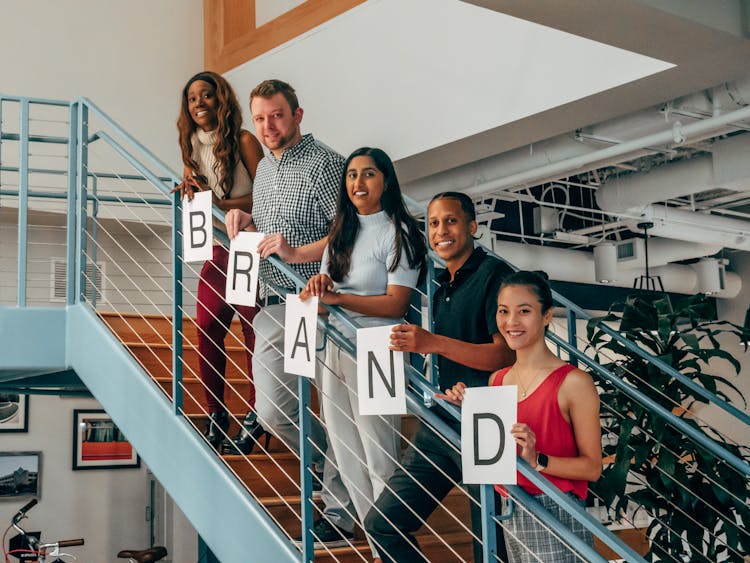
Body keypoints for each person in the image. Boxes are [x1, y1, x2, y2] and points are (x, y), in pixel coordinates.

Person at [225, 79, 356, 547]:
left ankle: (341, 513)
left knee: (339, 412)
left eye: (276, 115)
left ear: (298, 115)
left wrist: (300, 252)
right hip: (275, 306)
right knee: (273, 412)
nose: (267, 126)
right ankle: (331, 468)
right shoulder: (262, 171)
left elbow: (347, 237)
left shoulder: (328, 165)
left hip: (322, 305)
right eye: (259, 118)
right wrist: (248, 221)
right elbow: (271, 229)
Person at [364, 191, 515, 563]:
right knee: (383, 523)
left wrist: (433, 343)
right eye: (432, 223)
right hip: (443, 420)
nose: (440, 230)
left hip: (486, 422)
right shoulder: (443, 281)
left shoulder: (496, 276)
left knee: (490, 549)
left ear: (473, 226)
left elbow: (505, 352)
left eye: (450, 221)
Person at [300, 147, 426, 560]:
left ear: (385, 181)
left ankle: (393, 543)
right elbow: (327, 294)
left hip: (379, 349)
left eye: (368, 174)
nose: (358, 183)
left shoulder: (400, 233)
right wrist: (317, 292)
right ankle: (377, 548)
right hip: (332, 347)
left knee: (379, 451)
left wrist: (339, 300)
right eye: (352, 175)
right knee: (347, 451)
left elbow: (395, 304)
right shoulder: (341, 231)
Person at [439, 270, 602, 562]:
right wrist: (469, 409)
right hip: (509, 507)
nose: (511, 322)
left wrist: (537, 460)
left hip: (555, 509)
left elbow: (592, 468)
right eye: (503, 311)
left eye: (524, 311)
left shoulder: (574, 382)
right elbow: (495, 454)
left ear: (547, 315)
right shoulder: (496, 381)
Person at [175, 71, 265, 453]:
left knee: (251, 331)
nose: (199, 103)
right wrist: (191, 194)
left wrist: (218, 203)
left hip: (247, 244)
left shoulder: (244, 140)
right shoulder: (191, 146)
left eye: (207, 96)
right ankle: (216, 413)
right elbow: (198, 196)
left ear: (221, 100)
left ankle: (258, 413)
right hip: (218, 249)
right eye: (193, 98)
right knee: (207, 326)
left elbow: (266, 198)